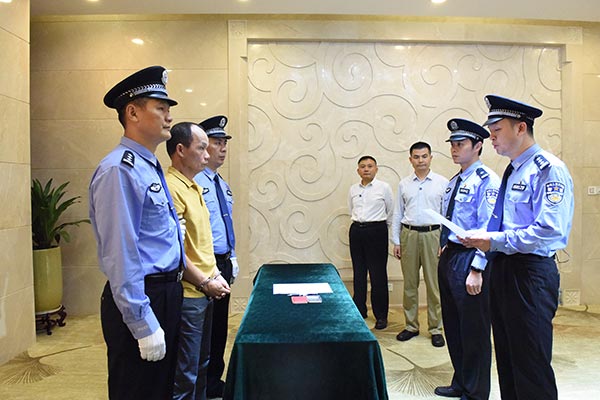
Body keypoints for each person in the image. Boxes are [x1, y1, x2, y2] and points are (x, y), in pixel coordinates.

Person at [461, 95, 574, 400]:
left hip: (530, 273)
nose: (492, 137)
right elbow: (502, 221)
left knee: (530, 362)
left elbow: (549, 229)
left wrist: (494, 241)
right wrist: (483, 245)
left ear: (521, 128)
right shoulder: (513, 170)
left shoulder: (547, 169)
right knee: (509, 358)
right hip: (504, 268)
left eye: (497, 130)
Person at [89, 66, 184, 399]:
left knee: (160, 387)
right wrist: (141, 322)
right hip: (143, 296)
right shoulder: (119, 169)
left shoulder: (147, 164)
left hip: (166, 292)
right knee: (137, 388)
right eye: (161, 107)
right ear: (132, 113)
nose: (169, 116)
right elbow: (121, 253)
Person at [434, 119, 500, 399]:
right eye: (452, 144)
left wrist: (477, 268)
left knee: (474, 329)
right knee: (454, 325)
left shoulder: (486, 181)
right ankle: (461, 381)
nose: (454, 149)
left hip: (470, 260)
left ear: (478, 146)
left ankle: (476, 391)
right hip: (450, 256)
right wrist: (444, 246)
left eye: (460, 144)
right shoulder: (454, 182)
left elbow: (489, 228)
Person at [166, 122, 231, 400]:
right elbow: (175, 252)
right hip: (190, 293)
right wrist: (205, 282)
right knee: (186, 372)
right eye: (202, 148)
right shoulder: (172, 187)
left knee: (203, 365)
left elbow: (202, 244)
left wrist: (215, 273)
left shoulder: (193, 185)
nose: (207, 155)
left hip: (205, 289)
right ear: (181, 150)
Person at [194, 115, 238, 398]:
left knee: (219, 326)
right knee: (203, 330)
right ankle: (201, 382)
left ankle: (213, 380)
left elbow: (225, 223)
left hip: (223, 262)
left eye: (224, 143)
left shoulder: (220, 183)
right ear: (201, 145)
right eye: (216, 142)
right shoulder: (195, 182)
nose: (222, 148)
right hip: (204, 266)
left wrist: (232, 256)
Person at [392, 142, 448, 347]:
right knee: (410, 284)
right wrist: (396, 241)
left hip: (433, 235)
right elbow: (397, 213)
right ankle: (411, 326)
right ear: (410, 160)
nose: (420, 160)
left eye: (424, 156)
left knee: (434, 285)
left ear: (431, 158)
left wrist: (444, 241)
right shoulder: (404, 184)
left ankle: (436, 329)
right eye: (416, 157)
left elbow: (447, 214)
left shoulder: (442, 183)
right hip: (409, 235)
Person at [348, 155, 393, 330]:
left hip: (377, 231)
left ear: (376, 169)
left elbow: (390, 211)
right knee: (359, 272)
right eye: (362, 166)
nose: (366, 169)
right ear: (358, 170)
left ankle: (381, 315)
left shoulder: (384, 188)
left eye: (370, 166)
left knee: (377, 274)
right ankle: (359, 310)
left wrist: (382, 230)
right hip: (356, 231)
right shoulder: (353, 189)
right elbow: (351, 209)